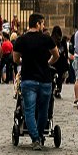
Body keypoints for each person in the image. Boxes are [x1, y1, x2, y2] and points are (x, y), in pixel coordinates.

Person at [13, 13, 56, 146]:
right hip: (45, 79)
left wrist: (24, 62)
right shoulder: (47, 39)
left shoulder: (21, 40)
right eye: (42, 23)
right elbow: (56, 55)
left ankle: (35, 138)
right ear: (37, 24)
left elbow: (15, 59)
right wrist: (48, 62)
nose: (43, 26)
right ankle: (40, 134)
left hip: (28, 79)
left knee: (29, 111)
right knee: (43, 110)